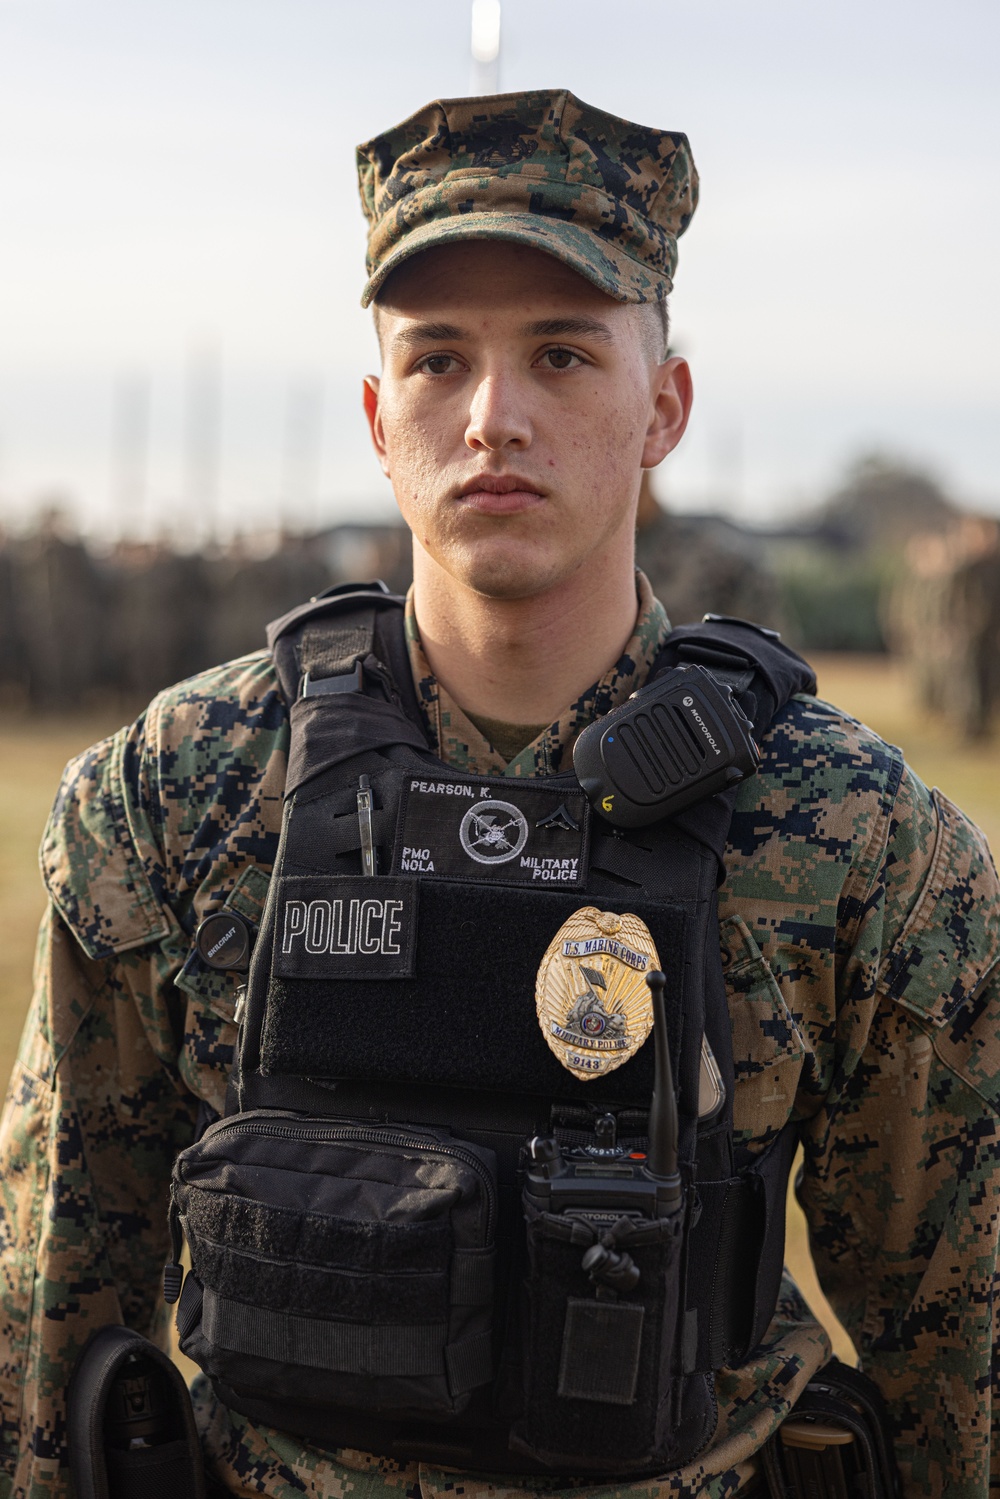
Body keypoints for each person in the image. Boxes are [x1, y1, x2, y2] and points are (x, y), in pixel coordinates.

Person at [1, 88, 998, 1499]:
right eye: (436, 361)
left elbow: (961, 1368)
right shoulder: (179, 795)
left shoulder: (852, 840)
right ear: (376, 413)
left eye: (564, 354)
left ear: (664, 407)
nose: (492, 418)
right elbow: (49, 1320)